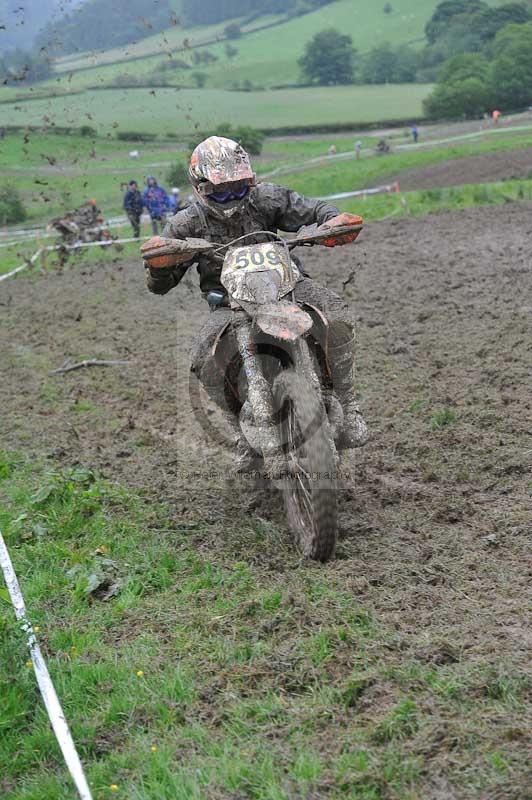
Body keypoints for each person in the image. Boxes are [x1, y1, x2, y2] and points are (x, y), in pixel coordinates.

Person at [143, 136, 368, 470]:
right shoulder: (185, 223)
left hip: (289, 286)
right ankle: (241, 433)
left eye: (239, 188)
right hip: (228, 304)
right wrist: (160, 267)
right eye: (221, 191)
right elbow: (160, 284)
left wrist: (331, 221)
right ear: (201, 188)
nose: (232, 197)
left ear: (250, 181)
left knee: (337, 316)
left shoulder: (267, 198)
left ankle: (348, 408)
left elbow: (313, 207)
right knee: (202, 360)